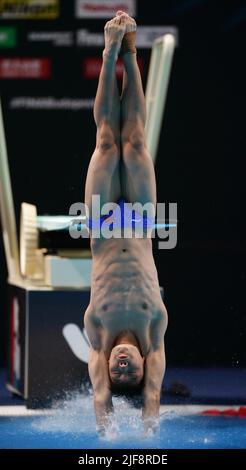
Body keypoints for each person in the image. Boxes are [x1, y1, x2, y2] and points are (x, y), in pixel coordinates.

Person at [84, 11, 168, 434]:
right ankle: (131, 50)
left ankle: (109, 50)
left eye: (115, 374)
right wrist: (146, 443)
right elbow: (151, 399)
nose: (119, 369)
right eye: (127, 373)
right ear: (143, 365)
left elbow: (101, 399)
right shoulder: (154, 335)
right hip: (139, 222)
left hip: (100, 225)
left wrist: (108, 438)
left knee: (104, 138)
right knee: (133, 140)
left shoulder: (98, 339)